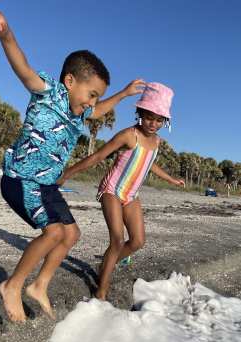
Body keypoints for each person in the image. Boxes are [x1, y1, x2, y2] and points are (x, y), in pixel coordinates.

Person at [0, 0, 145, 322]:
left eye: (97, 95)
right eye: (91, 92)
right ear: (70, 81)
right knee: (53, 233)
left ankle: (39, 286)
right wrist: (6, 34)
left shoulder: (78, 112)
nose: (92, 101)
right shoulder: (48, 92)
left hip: (47, 185)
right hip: (23, 179)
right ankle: (12, 285)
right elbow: (22, 67)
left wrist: (122, 95)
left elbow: (97, 111)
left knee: (71, 235)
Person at [59, 82, 185, 300]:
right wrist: (67, 174)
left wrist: (171, 179)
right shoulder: (129, 135)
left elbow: (150, 163)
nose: (153, 123)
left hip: (131, 195)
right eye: (149, 117)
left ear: (164, 121)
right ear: (140, 114)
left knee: (137, 242)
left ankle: (106, 264)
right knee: (117, 240)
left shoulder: (156, 142)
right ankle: (102, 290)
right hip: (112, 191)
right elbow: (98, 156)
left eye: (158, 120)